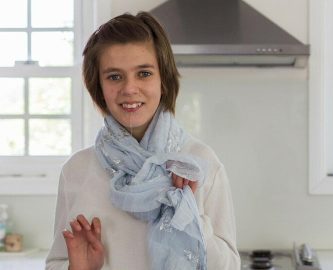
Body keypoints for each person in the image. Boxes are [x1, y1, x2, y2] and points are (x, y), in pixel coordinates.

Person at [45, 12, 240, 270]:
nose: (129, 89)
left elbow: (229, 267)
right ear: (99, 86)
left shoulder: (200, 163)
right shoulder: (76, 171)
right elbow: (56, 262)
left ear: (164, 79)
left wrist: (187, 215)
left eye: (144, 73)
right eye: (114, 76)